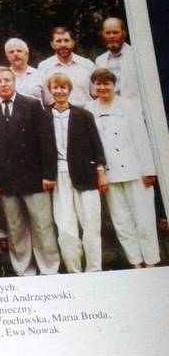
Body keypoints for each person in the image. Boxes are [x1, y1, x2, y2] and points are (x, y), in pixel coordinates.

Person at [0, 67, 60, 276]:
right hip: (6, 181)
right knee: (15, 228)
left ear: (14, 81)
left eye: (7, 80)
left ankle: (49, 268)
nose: (4, 84)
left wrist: (49, 175)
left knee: (43, 225)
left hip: (34, 177)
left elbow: (47, 141)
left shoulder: (32, 105)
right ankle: (24, 269)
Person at [87, 68, 160, 267]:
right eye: (98, 84)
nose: (102, 87)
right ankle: (136, 262)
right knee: (121, 222)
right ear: (93, 86)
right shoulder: (89, 109)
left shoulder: (129, 106)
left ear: (114, 85)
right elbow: (92, 146)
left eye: (106, 83)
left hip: (136, 171)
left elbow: (142, 139)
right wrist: (99, 173)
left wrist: (148, 170)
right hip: (109, 175)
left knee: (144, 219)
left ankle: (151, 262)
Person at [45, 73, 107, 273]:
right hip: (59, 176)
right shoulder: (43, 116)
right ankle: (74, 271)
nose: (59, 91)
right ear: (50, 90)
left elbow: (96, 146)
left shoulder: (84, 115)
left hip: (86, 176)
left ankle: (94, 270)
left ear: (69, 91)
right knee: (65, 227)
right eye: (56, 87)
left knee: (91, 224)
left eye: (63, 88)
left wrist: (100, 172)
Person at [37, 26, 95, 107]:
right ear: (52, 44)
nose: (63, 44)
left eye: (66, 40)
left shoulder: (87, 65)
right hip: (55, 114)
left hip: (84, 114)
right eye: (59, 41)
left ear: (73, 42)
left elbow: (96, 94)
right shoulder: (43, 67)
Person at [95, 17, 139, 100]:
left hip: (135, 108)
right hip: (111, 109)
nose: (112, 36)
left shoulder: (136, 55)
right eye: (108, 33)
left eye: (115, 32)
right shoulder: (100, 61)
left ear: (124, 33)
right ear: (103, 35)